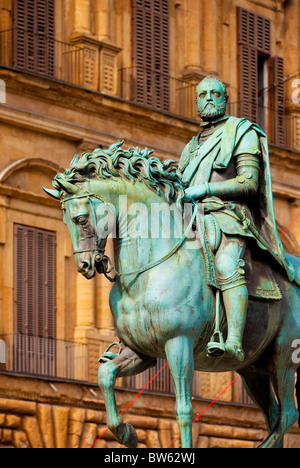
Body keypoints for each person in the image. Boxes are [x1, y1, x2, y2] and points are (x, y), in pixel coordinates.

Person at [177, 76, 295, 363]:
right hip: (193, 219)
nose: (208, 98)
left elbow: (248, 183)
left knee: (227, 264)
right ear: (196, 101)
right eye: (202, 94)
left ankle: (234, 341)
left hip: (230, 217)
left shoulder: (242, 132)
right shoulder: (190, 147)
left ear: (224, 98)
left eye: (215, 93)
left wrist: (205, 189)